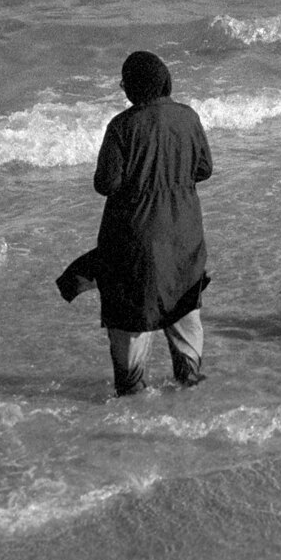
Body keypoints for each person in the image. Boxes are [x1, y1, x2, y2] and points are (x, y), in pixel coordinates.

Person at [90, 50, 213, 394]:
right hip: (184, 237)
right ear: (165, 81)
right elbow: (204, 169)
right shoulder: (188, 117)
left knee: (132, 324)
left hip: (135, 242)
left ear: (132, 88)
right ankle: (189, 391)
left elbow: (106, 184)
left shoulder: (121, 126)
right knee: (185, 314)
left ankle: (133, 403)